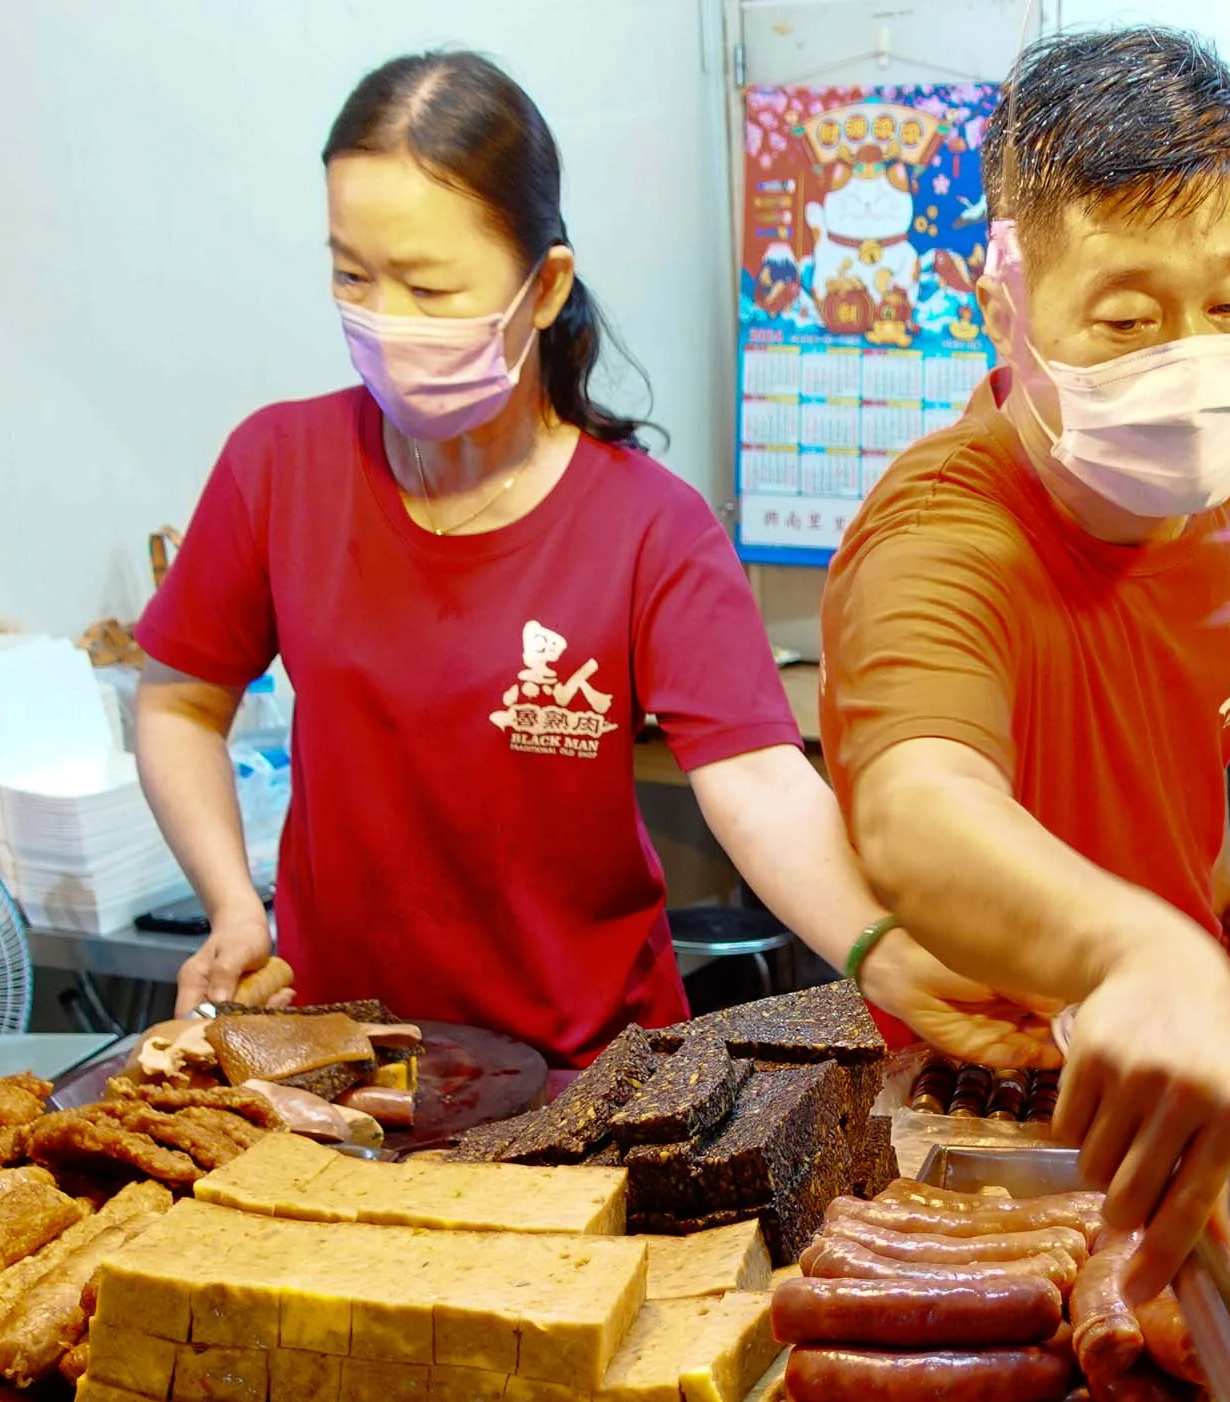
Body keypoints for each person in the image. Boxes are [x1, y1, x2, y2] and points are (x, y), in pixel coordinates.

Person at [131, 49, 1004, 1069]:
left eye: (428, 285)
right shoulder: (278, 467)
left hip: (586, 1081)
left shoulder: (650, 528)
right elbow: (180, 701)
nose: (385, 321)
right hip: (345, 1067)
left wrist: (880, 951)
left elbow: (760, 782)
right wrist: (235, 907)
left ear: (542, 289)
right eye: (352, 276)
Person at [822, 28, 1230, 1294]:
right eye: (1128, 317)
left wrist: (1208, 836)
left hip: (1166, 1065)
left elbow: (1180, 671)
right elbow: (918, 807)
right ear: (1005, 308)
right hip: (990, 1121)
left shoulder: (1228, 452)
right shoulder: (941, 533)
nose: (1190, 361)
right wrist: (1142, 948)